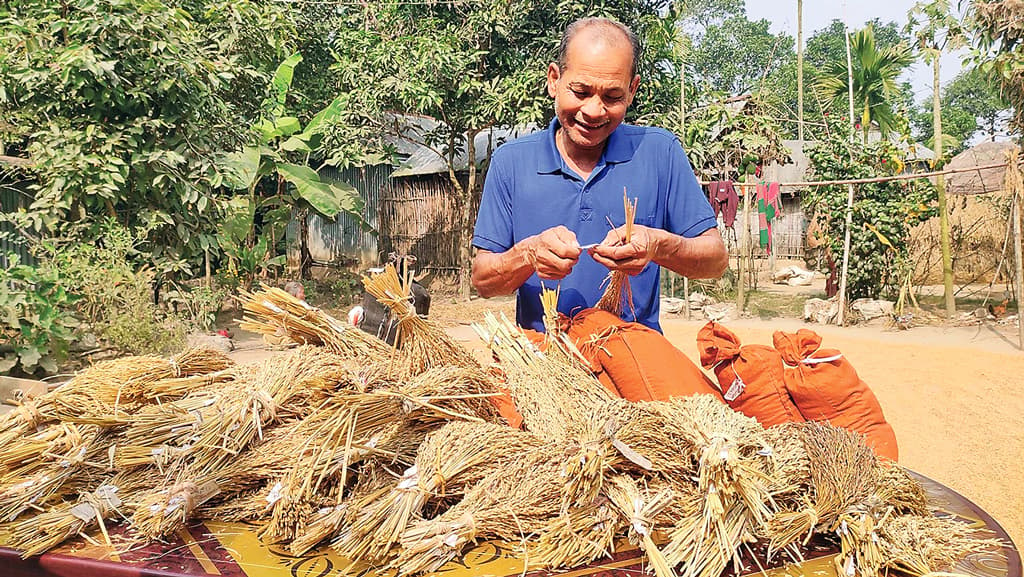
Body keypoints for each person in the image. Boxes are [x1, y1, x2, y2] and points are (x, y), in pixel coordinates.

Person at [471, 17, 728, 333]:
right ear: (554, 80)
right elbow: (483, 281)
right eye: (580, 91)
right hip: (544, 362)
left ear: (632, 91)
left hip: (633, 355)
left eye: (612, 97)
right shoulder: (511, 162)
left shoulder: (660, 153)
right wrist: (528, 254)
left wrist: (656, 245)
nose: (593, 110)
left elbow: (715, 261)